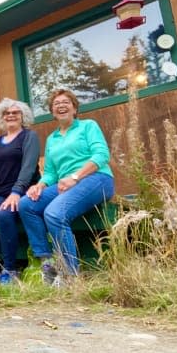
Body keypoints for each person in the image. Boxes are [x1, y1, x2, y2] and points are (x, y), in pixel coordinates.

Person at [19, 89, 114, 285]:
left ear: (74, 108)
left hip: (96, 178)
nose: (61, 105)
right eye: (56, 104)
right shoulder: (52, 139)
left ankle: (71, 275)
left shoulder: (88, 126)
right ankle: (48, 264)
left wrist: (75, 176)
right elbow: (52, 173)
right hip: (66, 184)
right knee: (27, 204)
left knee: (54, 213)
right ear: (52, 112)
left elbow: (101, 155)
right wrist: (40, 185)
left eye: (65, 102)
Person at [0, 98, 40, 288]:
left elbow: (29, 167)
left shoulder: (29, 136)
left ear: (23, 116)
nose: (11, 116)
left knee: (5, 215)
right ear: (2, 118)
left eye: (15, 113)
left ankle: (10, 270)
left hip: (22, 190)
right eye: (7, 113)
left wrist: (16, 192)